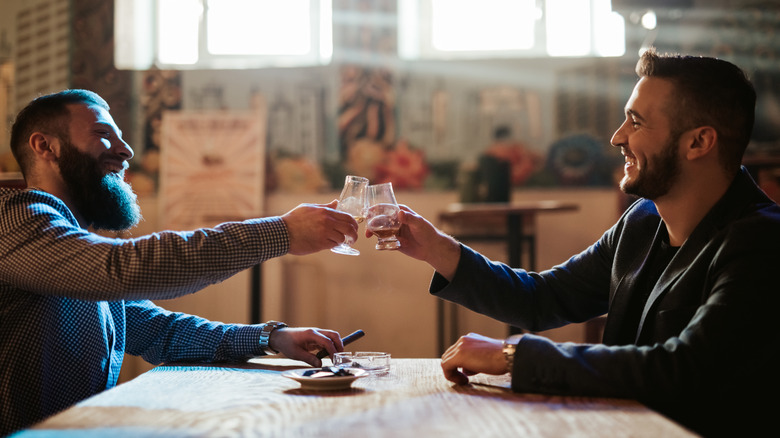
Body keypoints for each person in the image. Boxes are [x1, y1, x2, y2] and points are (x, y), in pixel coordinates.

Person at [384, 49, 780, 437]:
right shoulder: (641, 221)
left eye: (636, 122)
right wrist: (435, 247)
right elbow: (542, 299)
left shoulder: (762, 241)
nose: (617, 137)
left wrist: (512, 356)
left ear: (698, 143)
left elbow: (682, 370)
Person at [0, 89, 360, 435]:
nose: (125, 151)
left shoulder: (69, 246)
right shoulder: (13, 219)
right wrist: (281, 233)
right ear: (44, 145)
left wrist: (272, 337)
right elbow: (124, 268)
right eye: (102, 134)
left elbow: (160, 331)